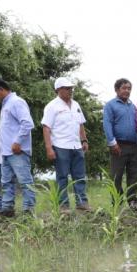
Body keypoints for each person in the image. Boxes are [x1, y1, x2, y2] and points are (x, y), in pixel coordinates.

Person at [0, 77, 35, 217]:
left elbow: (27, 123)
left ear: (1, 89)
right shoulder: (6, 105)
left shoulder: (16, 102)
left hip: (17, 150)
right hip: (6, 151)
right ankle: (7, 208)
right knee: (6, 182)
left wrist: (18, 142)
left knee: (25, 181)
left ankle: (28, 210)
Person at [42, 77, 91, 212]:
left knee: (80, 175)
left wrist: (84, 140)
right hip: (60, 145)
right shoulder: (52, 106)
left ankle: (82, 203)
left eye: (71, 88)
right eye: (67, 88)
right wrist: (49, 148)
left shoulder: (76, 105)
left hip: (76, 145)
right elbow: (46, 128)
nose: (70, 91)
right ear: (58, 90)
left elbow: (80, 124)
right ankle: (63, 205)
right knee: (62, 176)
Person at [102, 78, 137, 209]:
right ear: (117, 89)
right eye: (124, 88)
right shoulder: (110, 105)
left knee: (134, 174)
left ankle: (132, 201)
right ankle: (117, 202)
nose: (127, 91)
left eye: (129, 88)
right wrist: (112, 143)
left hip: (134, 145)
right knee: (116, 176)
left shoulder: (133, 106)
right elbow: (107, 124)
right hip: (118, 145)